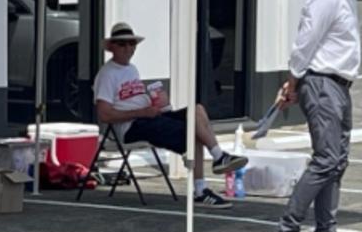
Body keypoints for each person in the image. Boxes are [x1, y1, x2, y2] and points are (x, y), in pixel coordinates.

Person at [269, 0, 362, 232]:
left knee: (336, 162)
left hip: (337, 84)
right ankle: (287, 230)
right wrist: (293, 83)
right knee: (327, 159)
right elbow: (304, 44)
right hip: (323, 81)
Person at [92, 21, 248, 209]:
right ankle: (201, 189)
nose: (128, 48)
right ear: (111, 47)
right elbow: (104, 114)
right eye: (122, 44)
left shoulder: (131, 69)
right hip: (131, 127)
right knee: (192, 131)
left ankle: (218, 156)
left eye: (131, 44)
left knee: (197, 111)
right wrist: (142, 111)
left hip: (148, 116)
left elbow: (134, 97)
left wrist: (157, 102)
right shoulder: (107, 74)